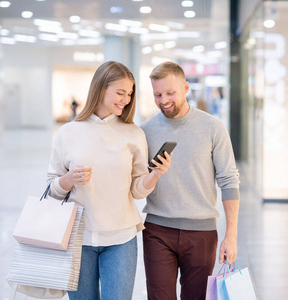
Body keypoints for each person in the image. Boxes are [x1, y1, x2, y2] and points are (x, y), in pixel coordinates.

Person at [46, 61, 172, 300]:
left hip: (121, 239)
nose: (125, 99)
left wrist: (154, 175)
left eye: (130, 94)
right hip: (77, 239)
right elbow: (50, 188)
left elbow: (137, 190)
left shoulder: (133, 134)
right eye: (120, 92)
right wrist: (69, 179)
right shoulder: (68, 132)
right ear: (101, 88)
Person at [140, 61, 240, 300]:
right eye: (157, 94)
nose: (164, 100)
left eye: (170, 93)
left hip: (201, 233)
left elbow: (229, 181)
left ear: (185, 88)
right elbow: (137, 182)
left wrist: (231, 235)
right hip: (157, 230)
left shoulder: (213, 127)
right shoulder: (144, 131)